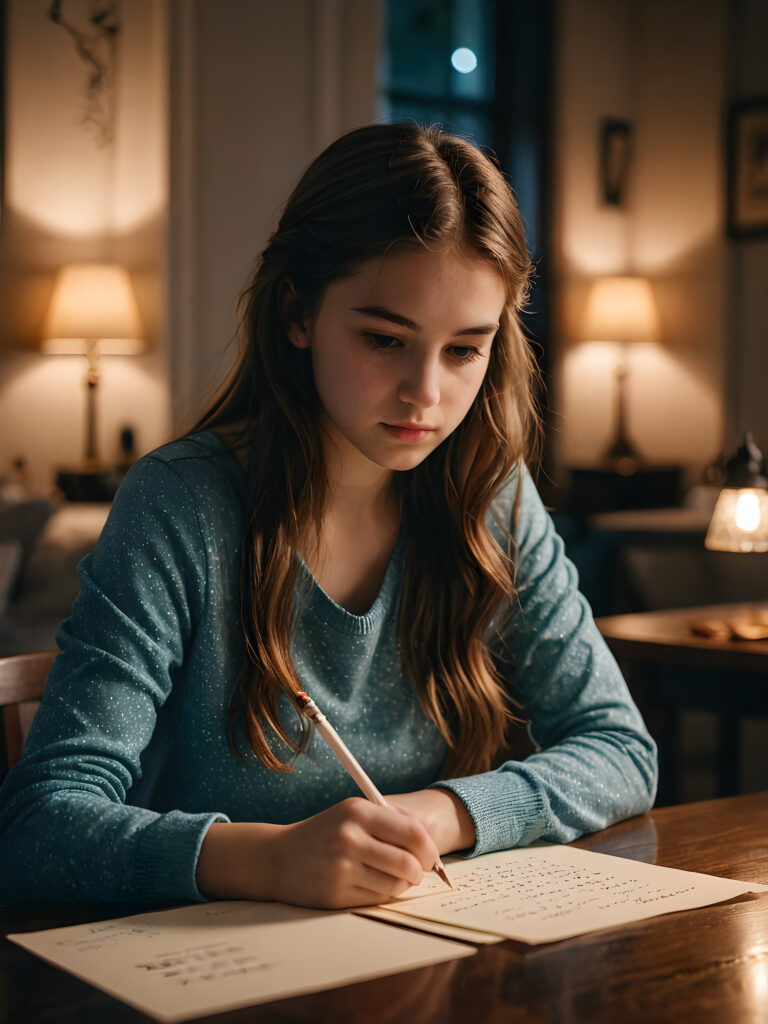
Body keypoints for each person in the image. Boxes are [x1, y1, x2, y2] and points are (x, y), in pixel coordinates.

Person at [0, 123, 657, 908]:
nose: (426, 393)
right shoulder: (181, 503)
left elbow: (620, 749)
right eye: (385, 340)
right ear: (297, 313)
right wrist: (267, 861)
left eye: (464, 350)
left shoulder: (493, 493)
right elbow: (40, 828)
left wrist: (433, 816)